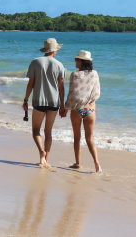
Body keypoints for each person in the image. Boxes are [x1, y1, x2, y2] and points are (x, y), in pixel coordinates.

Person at [22, 38, 65, 168]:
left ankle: (41, 153)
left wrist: (25, 100)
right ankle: (46, 158)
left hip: (39, 100)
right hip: (54, 102)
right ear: (55, 50)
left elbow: (31, 84)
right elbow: (61, 87)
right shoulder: (59, 65)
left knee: (36, 130)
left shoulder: (35, 62)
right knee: (48, 131)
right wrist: (63, 105)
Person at [62, 50, 102, 173]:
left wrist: (65, 108)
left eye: (76, 60)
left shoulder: (74, 75)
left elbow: (73, 94)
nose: (75, 62)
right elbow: (97, 92)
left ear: (80, 61)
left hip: (77, 110)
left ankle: (78, 163)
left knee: (77, 138)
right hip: (90, 110)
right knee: (90, 139)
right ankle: (97, 164)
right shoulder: (94, 74)